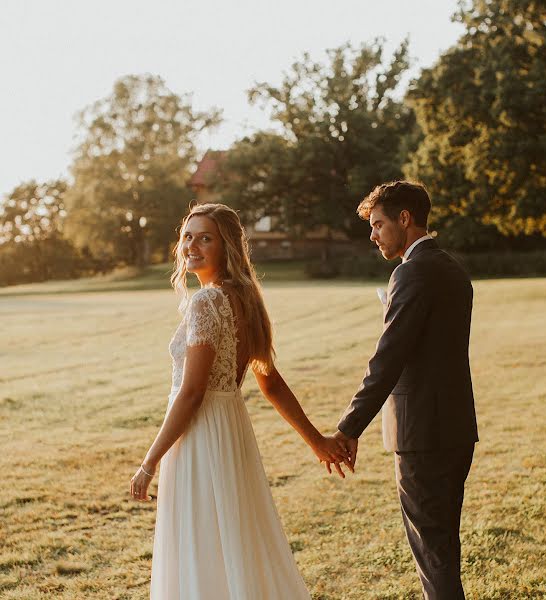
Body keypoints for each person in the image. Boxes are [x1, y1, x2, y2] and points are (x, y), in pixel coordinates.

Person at [129, 203, 350, 599]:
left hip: (200, 435)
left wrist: (149, 462)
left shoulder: (206, 302)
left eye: (205, 237)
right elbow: (271, 383)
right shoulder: (246, 298)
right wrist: (315, 441)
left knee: (202, 541)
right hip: (230, 431)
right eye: (188, 236)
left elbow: (192, 392)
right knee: (230, 537)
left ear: (226, 246)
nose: (191, 245)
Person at [331, 181, 479, 599]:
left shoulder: (410, 273)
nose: (372, 234)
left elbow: (388, 360)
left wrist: (348, 427)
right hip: (455, 429)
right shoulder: (452, 268)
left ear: (405, 218)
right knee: (443, 546)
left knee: (433, 555)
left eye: (378, 224)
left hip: (422, 434)